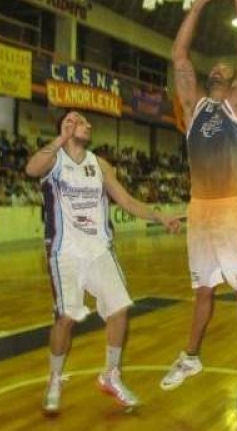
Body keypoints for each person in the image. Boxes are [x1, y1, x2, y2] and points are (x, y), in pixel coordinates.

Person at [25, 111, 180, 414]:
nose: (89, 125)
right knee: (65, 319)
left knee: (120, 308)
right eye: (80, 121)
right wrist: (60, 138)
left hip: (99, 250)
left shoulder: (100, 164)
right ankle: (55, 378)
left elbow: (127, 201)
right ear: (66, 128)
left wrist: (159, 215)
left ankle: (111, 374)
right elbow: (31, 169)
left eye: (85, 122)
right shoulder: (54, 161)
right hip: (64, 252)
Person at [160, 0, 237, 415]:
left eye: (227, 69)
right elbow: (179, 57)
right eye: (216, 68)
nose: (222, 69)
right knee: (203, 292)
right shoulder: (194, 106)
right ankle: (192, 357)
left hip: (234, 212)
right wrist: (201, 0)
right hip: (200, 211)